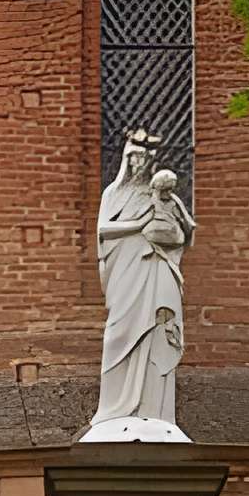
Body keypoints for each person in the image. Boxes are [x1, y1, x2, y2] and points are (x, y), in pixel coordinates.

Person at [84, 129, 193, 440]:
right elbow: (103, 229)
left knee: (159, 327)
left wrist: (171, 228)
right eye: (132, 158)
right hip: (124, 268)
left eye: (142, 159)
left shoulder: (162, 197)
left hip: (155, 264)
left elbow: (182, 233)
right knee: (118, 331)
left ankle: (154, 407)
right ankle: (113, 407)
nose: (137, 164)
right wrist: (139, 226)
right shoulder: (113, 194)